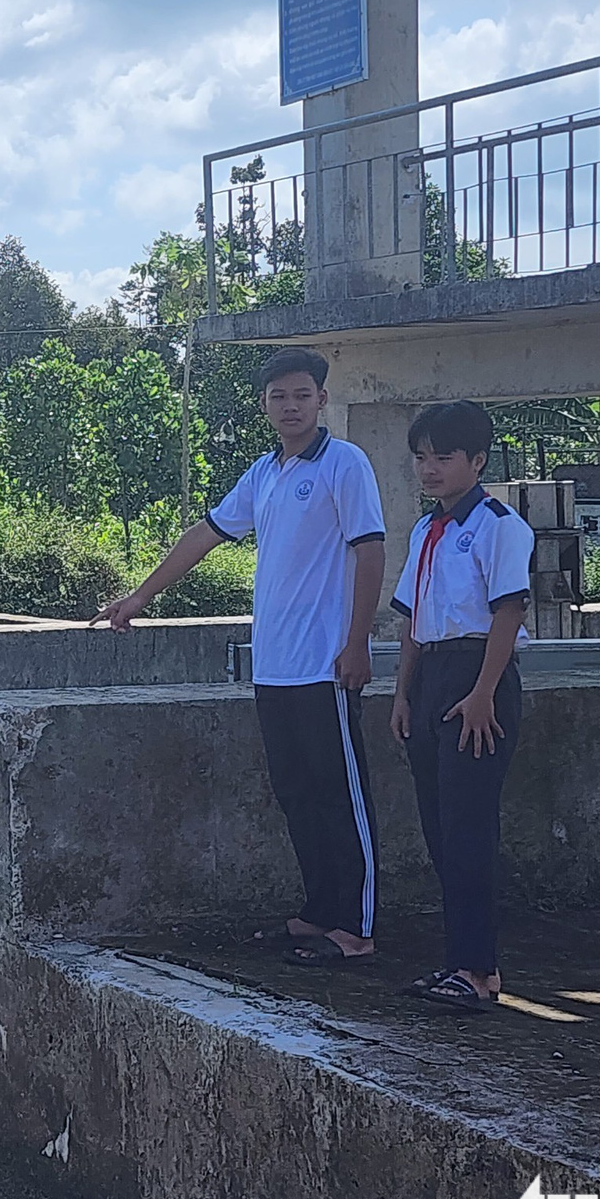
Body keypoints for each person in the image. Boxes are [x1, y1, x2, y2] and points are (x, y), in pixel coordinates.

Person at [95, 347, 387, 966]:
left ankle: (357, 927)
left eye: (302, 395)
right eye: (279, 396)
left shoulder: (345, 465)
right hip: (274, 665)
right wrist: (142, 594)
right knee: (296, 792)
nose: (291, 406)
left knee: (340, 794)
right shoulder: (264, 474)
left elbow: (369, 552)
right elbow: (205, 534)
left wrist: (358, 641)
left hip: (323, 665)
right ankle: (320, 910)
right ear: (264, 404)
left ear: (321, 400)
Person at [387, 401, 533, 1013]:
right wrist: (402, 691)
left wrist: (480, 693)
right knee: (440, 829)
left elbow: (508, 611)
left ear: (476, 460)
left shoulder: (500, 525)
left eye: (443, 457)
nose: (430, 469)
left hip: (481, 677)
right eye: (421, 457)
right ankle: (458, 961)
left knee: (470, 829)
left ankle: (478, 970)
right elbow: (414, 622)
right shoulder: (426, 530)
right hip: (432, 678)